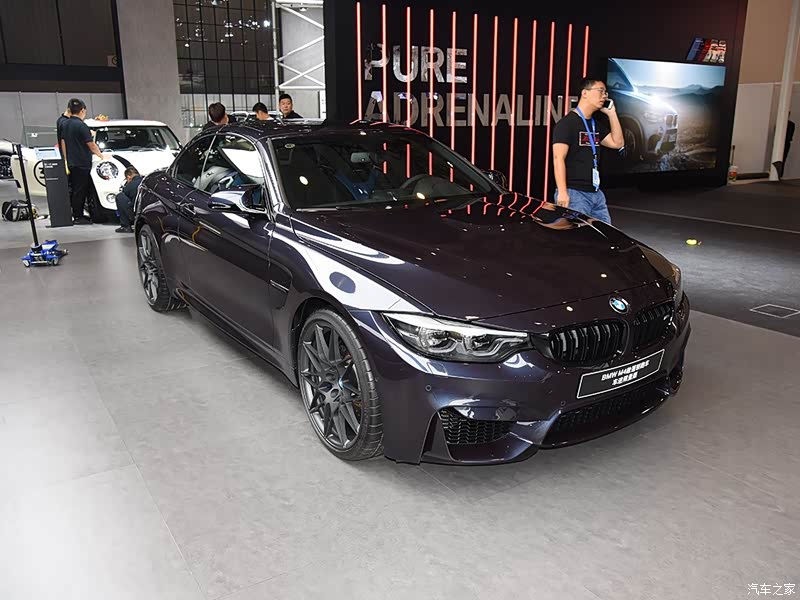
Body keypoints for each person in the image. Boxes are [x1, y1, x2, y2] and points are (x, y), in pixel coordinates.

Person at [552, 77, 624, 224]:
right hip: (574, 193)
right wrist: (563, 192)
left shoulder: (595, 125)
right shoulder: (566, 124)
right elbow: (558, 158)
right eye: (601, 91)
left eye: (605, 92)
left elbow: (617, 143)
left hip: (596, 193)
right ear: (585, 93)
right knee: (576, 236)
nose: (604, 96)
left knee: (605, 234)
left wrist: (612, 114)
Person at [61, 98, 106, 224]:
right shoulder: (81, 125)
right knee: (81, 190)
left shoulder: (65, 124)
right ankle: (78, 216)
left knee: (76, 189)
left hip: (72, 162)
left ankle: (77, 214)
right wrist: (101, 156)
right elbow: (91, 145)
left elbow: (63, 142)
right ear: (82, 110)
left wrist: (66, 158)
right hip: (82, 163)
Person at [114, 167, 143, 233]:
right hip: (148, 212)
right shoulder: (145, 181)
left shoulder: (130, 185)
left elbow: (124, 198)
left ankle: (125, 226)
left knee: (120, 197)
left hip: (136, 213)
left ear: (128, 177)